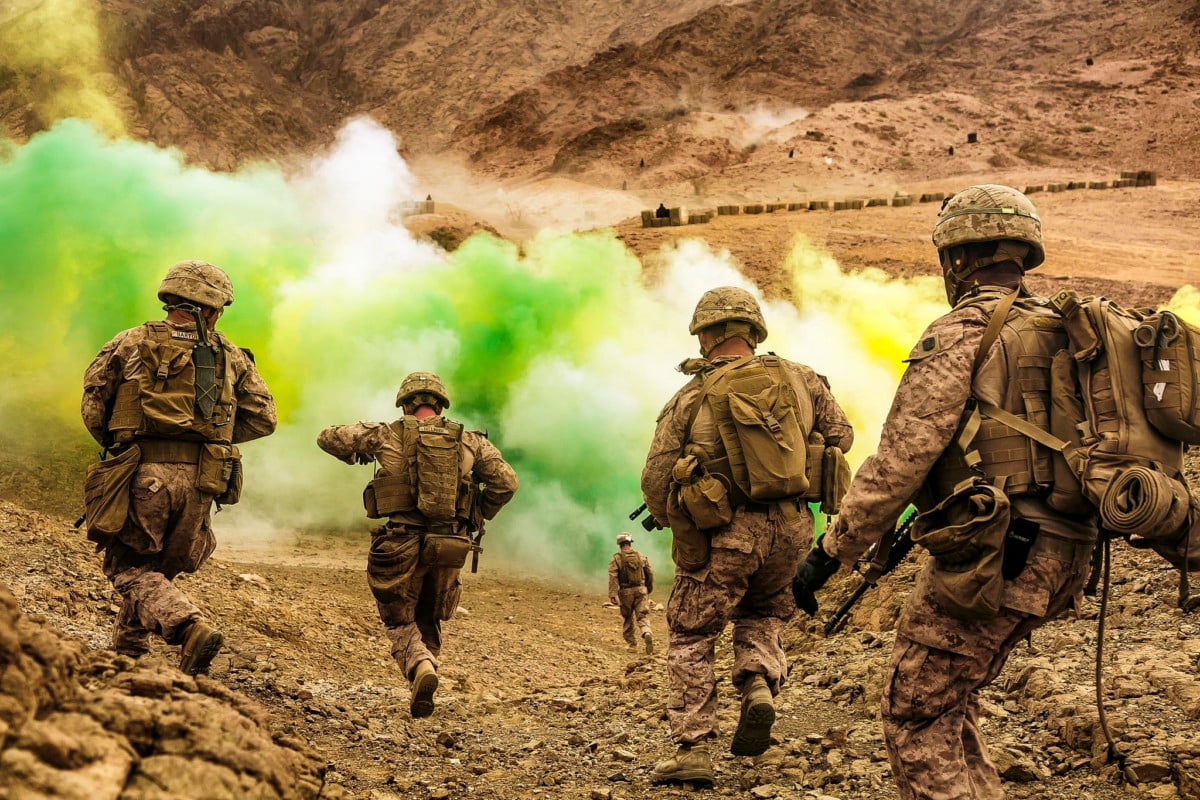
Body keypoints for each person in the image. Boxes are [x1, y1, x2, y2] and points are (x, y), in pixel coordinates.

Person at [792, 184, 1101, 800]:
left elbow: (901, 460)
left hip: (1000, 555)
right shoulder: (1065, 330)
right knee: (948, 698)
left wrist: (832, 551)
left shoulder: (964, 332)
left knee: (913, 707)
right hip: (1071, 552)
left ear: (958, 259)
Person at [641, 286, 854, 785]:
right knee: (761, 613)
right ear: (754, 332)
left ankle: (693, 747)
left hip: (728, 534)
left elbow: (655, 479)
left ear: (707, 335)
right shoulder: (803, 379)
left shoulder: (691, 396)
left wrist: (685, 512)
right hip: (793, 527)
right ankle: (757, 682)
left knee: (693, 632)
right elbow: (842, 435)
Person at [81, 260, 277, 675]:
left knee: (128, 568)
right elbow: (264, 418)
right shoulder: (231, 356)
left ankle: (188, 627)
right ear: (212, 309)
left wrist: (123, 444)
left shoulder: (130, 341)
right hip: (203, 480)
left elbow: (94, 402)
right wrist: (210, 437)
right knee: (157, 573)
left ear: (172, 298)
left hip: (143, 474)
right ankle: (127, 658)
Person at [317, 371, 518, 718]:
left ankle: (420, 666)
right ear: (440, 404)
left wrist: (357, 455)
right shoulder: (470, 441)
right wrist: (478, 514)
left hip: (401, 543)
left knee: (398, 617)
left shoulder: (384, 433)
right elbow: (506, 483)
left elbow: (328, 438)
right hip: (450, 544)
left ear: (406, 404)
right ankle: (427, 675)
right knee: (430, 616)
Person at [607, 532, 655, 653]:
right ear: (629, 543)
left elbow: (613, 577)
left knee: (628, 618)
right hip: (641, 589)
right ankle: (646, 632)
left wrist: (612, 595)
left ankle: (632, 645)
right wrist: (648, 587)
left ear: (620, 544)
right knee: (642, 615)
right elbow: (649, 572)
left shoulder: (616, 558)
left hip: (625, 592)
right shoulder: (641, 556)